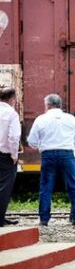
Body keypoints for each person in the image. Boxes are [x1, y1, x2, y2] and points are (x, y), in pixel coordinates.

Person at [27, 94, 75, 226]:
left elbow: (31, 141)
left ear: (48, 105)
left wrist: (41, 146)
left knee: (46, 187)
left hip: (48, 155)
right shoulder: (71, 119)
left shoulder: (41, 119)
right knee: (73, 185)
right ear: (59, 104)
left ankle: (44, 219)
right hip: (67, 154)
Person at [0, 88, 21, 227]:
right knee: (4, 188)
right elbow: (13, 137)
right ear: (12, 99)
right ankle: (0, 218)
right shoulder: (11, 114)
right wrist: (14, 154)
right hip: (4, 155)